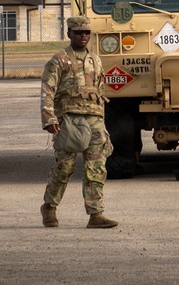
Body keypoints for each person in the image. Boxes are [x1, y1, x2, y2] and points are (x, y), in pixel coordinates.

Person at [39, 15, 118, 229]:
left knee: (96, 167)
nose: (83, 36)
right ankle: (49, 207)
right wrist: (49, 118)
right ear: (69, 34)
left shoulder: (95, 59)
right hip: (69, 120)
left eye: (86, 33)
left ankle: (96, 214)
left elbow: (100, 90)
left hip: (94, 119)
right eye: (78, 32)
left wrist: (102, 119)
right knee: (65, 167)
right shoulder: (59, 60)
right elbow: (47, 90)